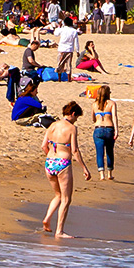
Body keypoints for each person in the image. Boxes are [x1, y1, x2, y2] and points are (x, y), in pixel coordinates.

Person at [40, 102, 93, 239]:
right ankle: (59, 231)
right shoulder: (72, 128)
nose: (76, 120)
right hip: (62, 163)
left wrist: (51, 157)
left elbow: (43, 146)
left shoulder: (52, 125)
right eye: (77, 117)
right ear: (73, 114)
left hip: (49, 162)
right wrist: (84, 168)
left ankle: (47, 218)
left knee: (58, 195)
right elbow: (74, 150)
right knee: (66, 199)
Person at [89, 84, 118, 180]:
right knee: (109, 151)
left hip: (98, 129)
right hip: (109, 128)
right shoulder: (112, 103)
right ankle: (109, 173)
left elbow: (93, 118)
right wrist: (116, 130)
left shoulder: (94, 104)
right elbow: (114, 117)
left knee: (99, 152)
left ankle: (101, 174)